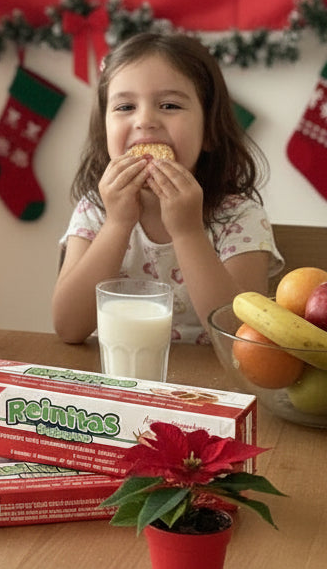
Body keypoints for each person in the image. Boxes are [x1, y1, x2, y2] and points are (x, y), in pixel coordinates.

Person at [52, 32, 281, 345]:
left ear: (210, 131)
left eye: (170, 105)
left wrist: (188, 231)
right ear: (104, 130)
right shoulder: (95, 211)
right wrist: (118, 223)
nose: (145, 120)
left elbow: (240, 338)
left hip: (210, 387)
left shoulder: (240, 218)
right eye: (125, 107)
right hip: (118, 380)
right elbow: (68, 327)